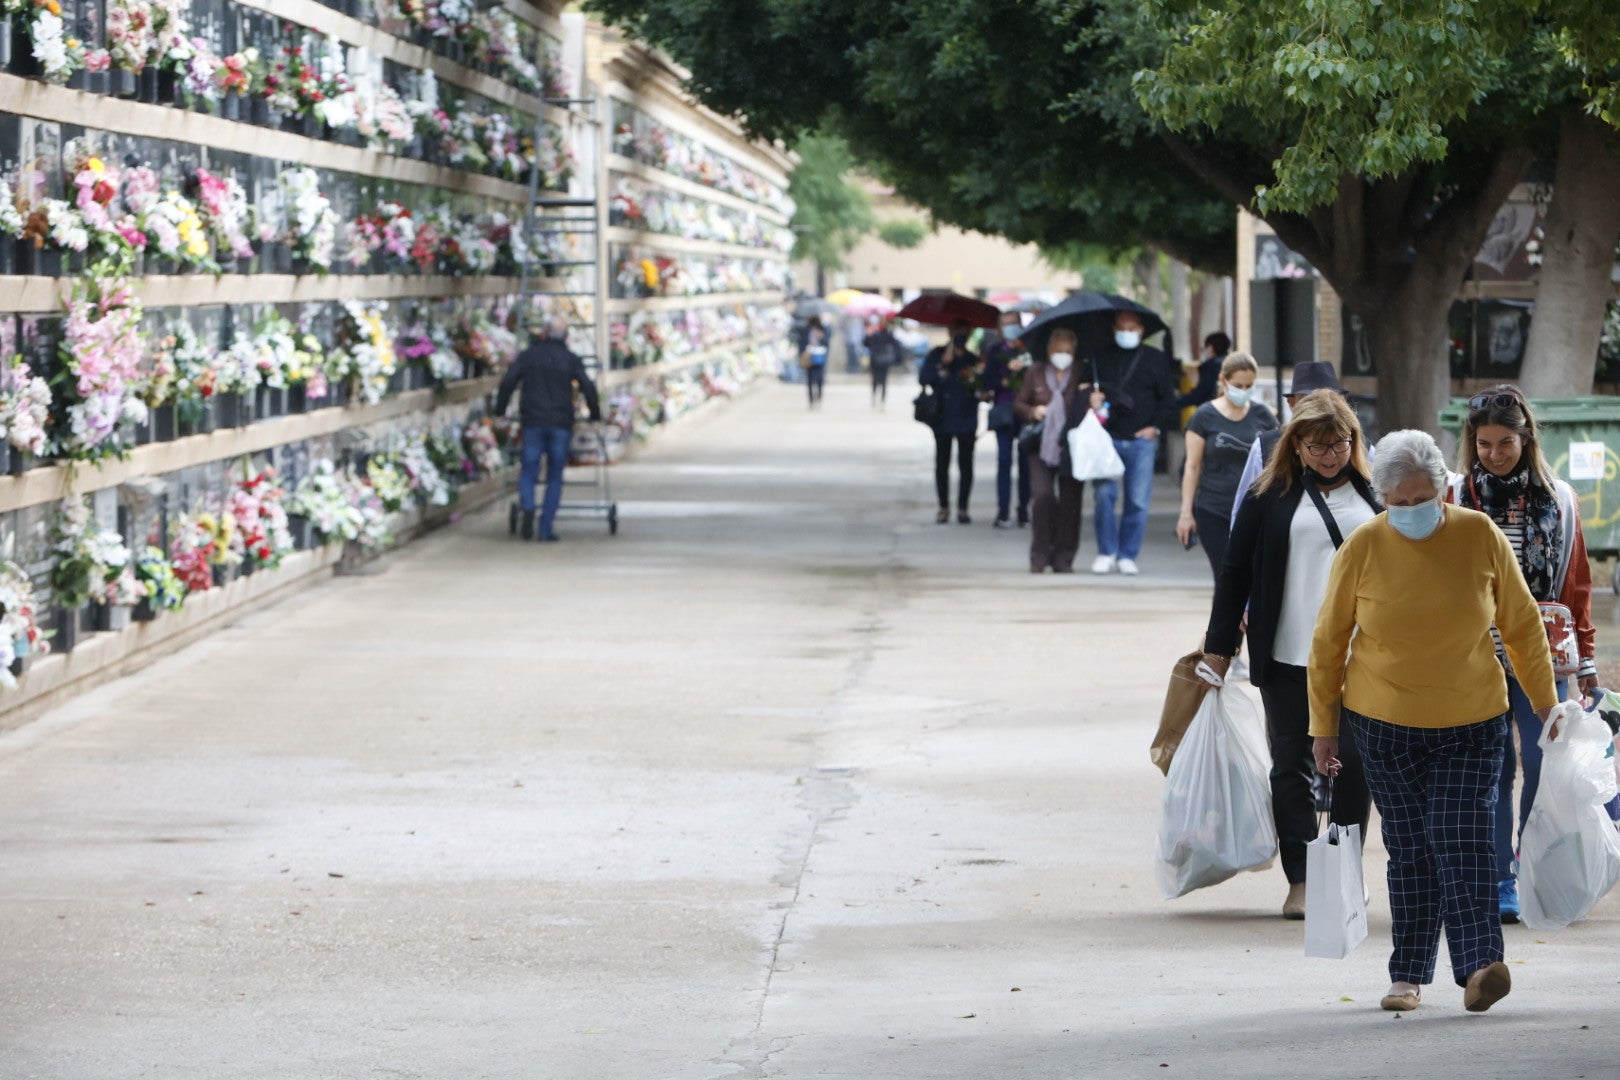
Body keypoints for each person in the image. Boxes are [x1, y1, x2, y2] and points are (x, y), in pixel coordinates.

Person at [1310, 429, 1557, 1015]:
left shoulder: (1479, 535)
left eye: (1425, 500)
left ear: (1444, 490)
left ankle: (1477, 967)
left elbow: (1521, 625)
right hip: (1383, 720)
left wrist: (1546, 706)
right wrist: (1323, 729)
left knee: (1463, 838)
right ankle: (1408, 974)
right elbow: (1327, 643)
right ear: (1383, 498)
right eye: (1400, 504)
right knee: (1411, 847)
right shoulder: (1364, 547)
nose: (1414, 512)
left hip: (1472, 717)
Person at [1201, 391, 1380, 918]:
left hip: (1361, 656)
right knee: (1292, 764)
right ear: (1296, 445)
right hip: (1286, 652)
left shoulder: (1376, 495)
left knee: (1353, 767)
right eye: (1318, 445)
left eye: (1340, 443)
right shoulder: (1269, 496)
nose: (1331, 455)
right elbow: (1234, 572)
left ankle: (1344, 870)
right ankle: (1300, 878)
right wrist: (1218, 647)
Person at [1448, 385, 1597, 924]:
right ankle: (1500, 877)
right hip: (1474, 655)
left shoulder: (1561, 500)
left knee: (1541, 763)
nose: (1494, 453)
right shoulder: (1454, 495)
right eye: (1483, 443)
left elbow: (1576, 588)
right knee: (1493, 767)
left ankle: (1531, 861)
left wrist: (1587, 667)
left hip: (1542, 652)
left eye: (1504, 441)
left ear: (1525, 436)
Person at [495, 314, 602, 542]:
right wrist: (595, 414)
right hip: (560, 423)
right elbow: (587, 386)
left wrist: (499, 411)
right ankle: (545, 529)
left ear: (543, 333)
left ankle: (529, 504)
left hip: (532, 420)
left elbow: (508, 382)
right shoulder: (570, 359)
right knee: (555, 475)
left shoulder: (528, 357)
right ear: (566, 336)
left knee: (529, 468)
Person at [1090, 310, 1177, 575]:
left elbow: (1168, 401)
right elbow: (1085, 389)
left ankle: (1127, 554)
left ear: (1140, 330)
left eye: (1131, 327)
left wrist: (1155, 428)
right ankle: (1106, 551)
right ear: (1114, 329)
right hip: (1108, 438)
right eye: (1121, 327)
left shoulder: (1155, 359)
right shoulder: (1099, 358)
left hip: (1142, 440)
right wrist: (1091, 400)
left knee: (1137, 500)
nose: (1126, 332)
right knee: (1104, 495)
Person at [1176, 352, 1277, 578]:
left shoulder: (1263, 416)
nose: (1243, 390)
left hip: (1254, 509)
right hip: (1215, 509)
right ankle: (1226, 615)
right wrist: (1185, 513)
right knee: (1226, 575)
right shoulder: (1204, 416)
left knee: (1252, 576)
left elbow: (1275, 463)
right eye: (1237, 385)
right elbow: (1192, 467)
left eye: (1249, 385)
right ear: (1223, 381)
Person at [1013, 328, 1099, 572]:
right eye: (1058, 350)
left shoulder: (1083, 371)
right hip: (1041, 445)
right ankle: (1039, 554)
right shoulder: (1036, 372)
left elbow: (1094, 403)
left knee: (1071, 502)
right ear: (1050, 350)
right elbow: (1019, 403)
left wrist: (1092, 399)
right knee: (1042, 497)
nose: (1063, 355)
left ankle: (1064, 557)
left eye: (1068, 350)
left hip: (1073, 444)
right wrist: (1033, 411)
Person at [1229, 361, 1346, 528]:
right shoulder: (1265, 447)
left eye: (1329, 399)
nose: (1319, 409)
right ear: (1292, 403)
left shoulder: (1361, 446)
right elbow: (1243, 509)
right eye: (1309, 400)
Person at [919, 319, 981, 524]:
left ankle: (963, 507)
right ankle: (943, 506)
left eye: (964, 330)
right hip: (942, 416)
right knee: (942, 464)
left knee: (966, 464)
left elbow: (981, 385)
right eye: (957, 330)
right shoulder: (937, 354)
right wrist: (944, 363)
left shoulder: (972, 359)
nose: (960, 334)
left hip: (966, 416)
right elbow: (924, 379)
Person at [982, 312, 1033, 529]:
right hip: (1004, 410)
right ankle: (1003, 510)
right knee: (1004, 461)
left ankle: (1023, 508)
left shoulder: (1029, 351)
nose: (1011, 327)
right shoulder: (995, 351)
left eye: (1014, 324)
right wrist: (1004, 380)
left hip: (1025, 412)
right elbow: (987, 382)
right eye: (1006, 324)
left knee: (1026, 463)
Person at [1177, 332, 1229, 413]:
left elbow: (1200, 394)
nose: (1204, 350)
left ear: (1211, 348)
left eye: (1206, 347)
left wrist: (1175, 401)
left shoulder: (1212, 368)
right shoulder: (1231, 365)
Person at [863, 317, 903, 408]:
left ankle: (877, 400)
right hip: (880, 361)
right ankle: (880, 401)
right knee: (881, 381)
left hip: (878, 360)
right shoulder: (886, 334)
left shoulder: (880, 334)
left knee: (877, 380)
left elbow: (866, 343)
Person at [797, 317, 830, 408]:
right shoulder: (805, 331)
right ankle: (811, 399)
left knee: (820, 378)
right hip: (809, 356)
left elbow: (826, 342)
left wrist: (821, 337)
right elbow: (801, 343)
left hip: (820, 356)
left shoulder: (823, 330)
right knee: (810, 379)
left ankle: (819, 397)